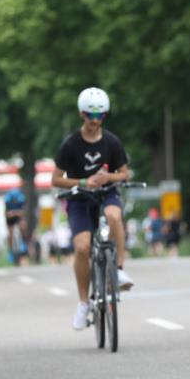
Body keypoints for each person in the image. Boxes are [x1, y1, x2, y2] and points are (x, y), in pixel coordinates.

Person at [51, 86, 135, 331]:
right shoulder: (70, 144)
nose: (95, 121)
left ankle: (118, 269)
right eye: (90, 115)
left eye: (100, 115)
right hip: (79, 197)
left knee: (114, 215)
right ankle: (83, 303)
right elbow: (55, 179)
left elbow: (125, 173)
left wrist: (108, 178)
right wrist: (82, 182)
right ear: (82, 114)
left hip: (106, 192)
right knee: (82, 247)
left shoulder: (112, 142)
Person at [3, 186, 28, 263]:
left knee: (23, 226)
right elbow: (6, 213)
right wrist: (12, 213)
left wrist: (16, 213)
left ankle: (24, 242)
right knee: (10, 234)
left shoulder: (21, 199)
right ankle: (11, 251)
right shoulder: (7, 199)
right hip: (11, 219)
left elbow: (24, 212)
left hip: (18, 216)